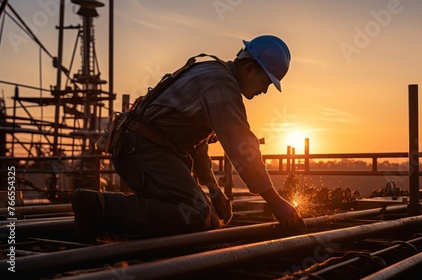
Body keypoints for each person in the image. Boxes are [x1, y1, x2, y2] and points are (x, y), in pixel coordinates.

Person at [72, 35, 305, 244]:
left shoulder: (214, 74)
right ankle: (96, 208)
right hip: (143, 150)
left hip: (147, 149)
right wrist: (275, 202)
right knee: (195, 215)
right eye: (266, 82)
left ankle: (123, 228)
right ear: (250, 69)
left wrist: (213, 190)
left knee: (209, 220)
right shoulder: (221, 85)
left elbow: (197, 142)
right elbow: (241, 145)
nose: (264, 91)